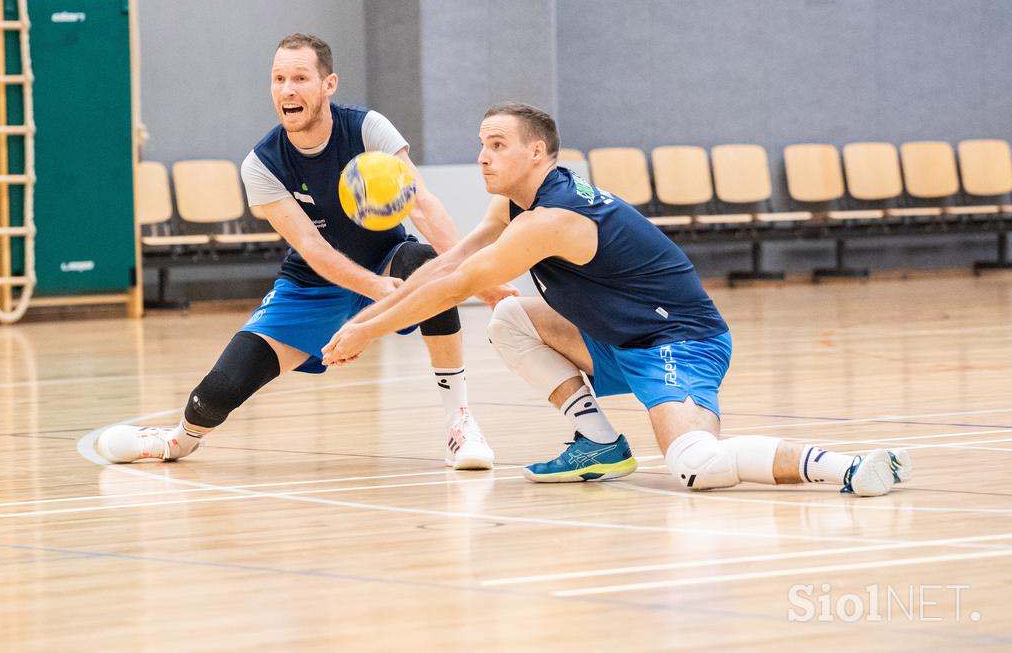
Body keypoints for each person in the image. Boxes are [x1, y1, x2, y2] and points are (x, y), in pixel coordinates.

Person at [322, 102, 912, 496]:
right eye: (481, 143)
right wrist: (366, 318)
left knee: (695, 464)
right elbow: (450, 261)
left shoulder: (549, 219)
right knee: (510, 319)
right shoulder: (516, 205)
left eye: (497, 145)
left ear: (537, 153)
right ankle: (600, 444)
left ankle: (849, 467)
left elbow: (455, 285)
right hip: (611, 337)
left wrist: (364, 332)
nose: (482, 156)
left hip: (677, 342)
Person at [96, 33, 515, 468]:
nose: (287, 89)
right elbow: (313, 247)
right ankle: (179, 439)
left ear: (328, 85)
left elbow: (424, 206)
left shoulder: (368, 129)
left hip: (388, 259)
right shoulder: (261, 164)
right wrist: (372, 294)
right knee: (219, 389)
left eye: (300, 78)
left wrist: (475, 279)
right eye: (278, 79)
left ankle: (460, 422)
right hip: (311, 286)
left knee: (426, 263)